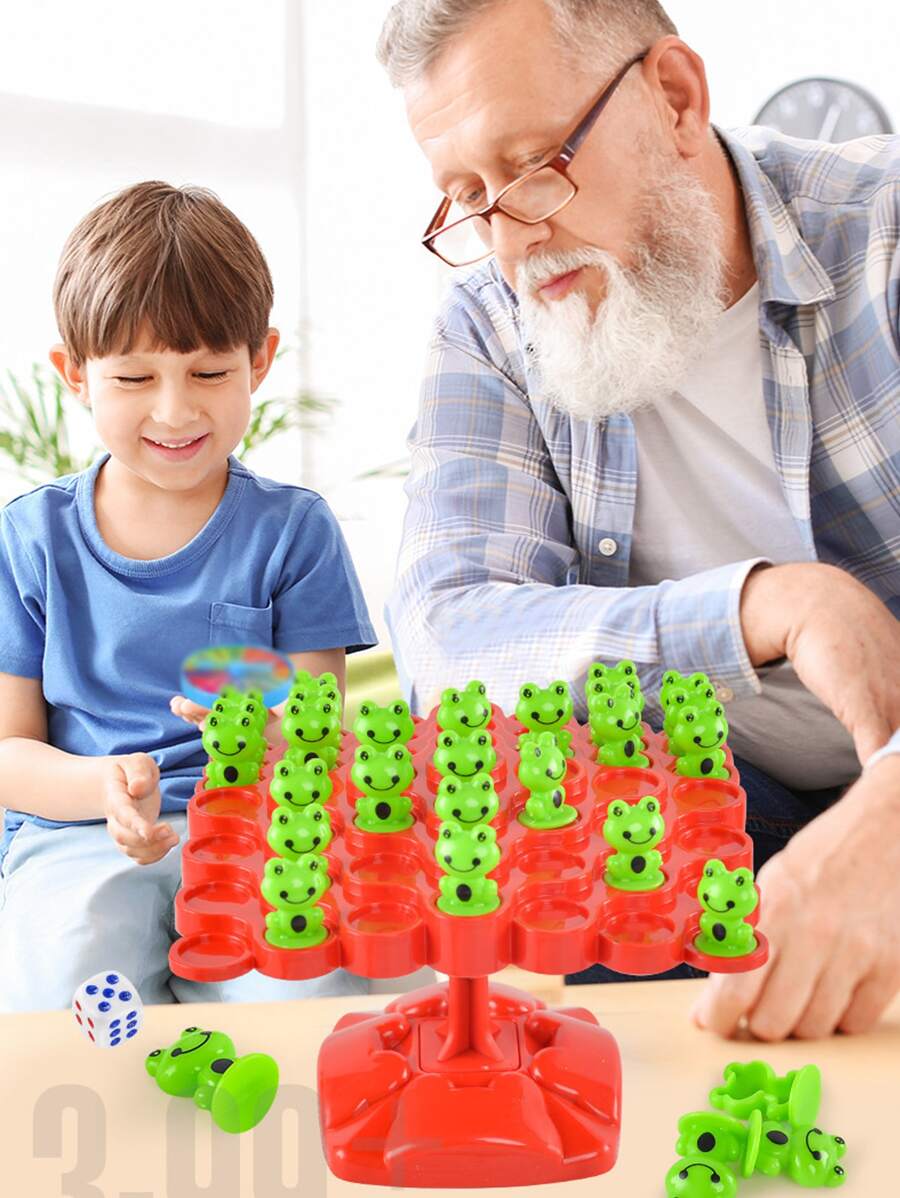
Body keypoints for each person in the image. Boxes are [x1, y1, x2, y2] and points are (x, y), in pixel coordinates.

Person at [377, 0, 900, 1040]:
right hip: (720, 790)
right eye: (470, 199)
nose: (513, 244)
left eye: (535, 165)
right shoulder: (490, 327)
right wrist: (763, 607)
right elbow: (447, 635)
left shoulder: (880, 235)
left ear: (674, 96)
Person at [0, 181, 377, 1011]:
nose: (174, 412)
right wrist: (103, 788)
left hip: (263, 829)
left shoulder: (294, 531)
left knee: (315, 999)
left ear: (260, 361)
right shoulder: (29, 539)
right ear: (74, 374)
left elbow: (315, 738)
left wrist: (263, 739)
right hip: (81, 835)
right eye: (135, 377)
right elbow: (9, 752)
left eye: (209, 372)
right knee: (63, 1008)